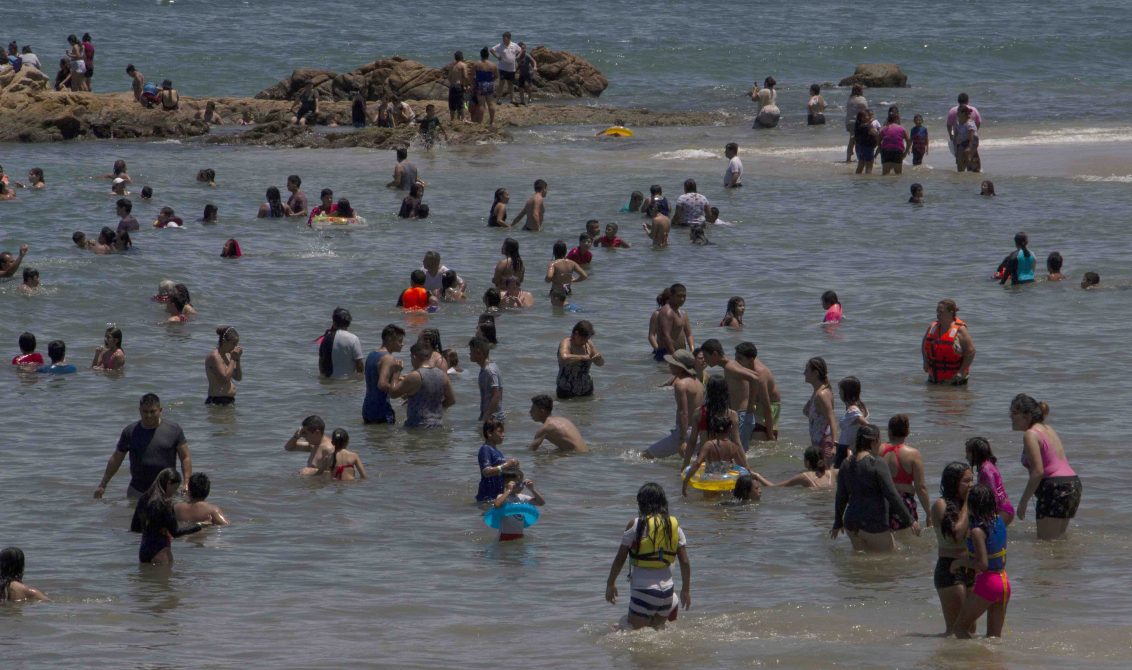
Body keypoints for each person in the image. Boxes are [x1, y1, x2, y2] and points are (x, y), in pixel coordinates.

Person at [605, 483, 691, 630]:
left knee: (627, 633)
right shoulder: (674, 527)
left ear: (642, 503)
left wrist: (610, 584)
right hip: (667, 595)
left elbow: (620, 559)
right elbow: (685, 562)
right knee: (656, 634)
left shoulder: (636, 525)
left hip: (644, 592)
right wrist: (685, 590)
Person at [831, 424, 920, 552]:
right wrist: (910, 520)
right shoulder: (877, 463)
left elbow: (841, 496)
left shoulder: (846, 463)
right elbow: (892, 494)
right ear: (874, 441)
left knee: (861, 563)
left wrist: (837, 522)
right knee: (890, 561)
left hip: (851, 523)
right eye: (879, 440)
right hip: (874, 523)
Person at [94, 394, 191, 499]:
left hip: (167, 491)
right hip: (137, 491)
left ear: (160, 410)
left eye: (152, 412)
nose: (148, 415)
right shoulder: (130, 432)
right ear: (139, 410)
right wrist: (103, 484)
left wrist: (187, 483)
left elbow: (185, 457)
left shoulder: (174, 430)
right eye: (145, 411)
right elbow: (117, 458)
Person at [1012, 395, 1081, 541]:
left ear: (1028, 416)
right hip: (1072, 484)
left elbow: (1038, 471)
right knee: (1058, 541)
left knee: (1045, 544)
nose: (1010, 417)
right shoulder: (1047, 428)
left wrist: (1023, 502)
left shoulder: (1030, 434)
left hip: (1056, 487)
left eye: (1014, 413)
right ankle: (1066, 564)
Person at [949, 485, 1010, 639]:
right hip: (1004, 581)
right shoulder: (1000, 521)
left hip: (989, 583)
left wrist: (960, 562)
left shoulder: (977, 532)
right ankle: (991, 662)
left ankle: (973, 660)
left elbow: (983, 564)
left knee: (960, 629)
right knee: (994, 638)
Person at [930, 462, 975, 635]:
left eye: (972, 480)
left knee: (971, 628)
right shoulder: (940, 505)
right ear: (953, 482)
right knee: (956, 629)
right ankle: (947, 661)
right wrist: (967, 506)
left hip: (971, 566)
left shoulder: (969, 503)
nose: (971, 485)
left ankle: (967, 662)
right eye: (966, 481)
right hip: (949, 569)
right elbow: (956, 534)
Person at [700, 339, 764, 451]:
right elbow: (755, 375)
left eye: (705, 356)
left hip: (742, 415)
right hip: (743, 415)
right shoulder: (731, 363)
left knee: (737, 452)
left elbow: (755, 379)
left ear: (714, 354)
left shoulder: (730, 367)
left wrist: (751, 406)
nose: (704, 359)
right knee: (738, 451)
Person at [133, 469, 204, 564]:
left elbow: (135, 527)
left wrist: (153, 528)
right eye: (175, 488)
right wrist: (198, 526)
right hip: (160, 550)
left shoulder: (143, 499)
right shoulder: (163, 503)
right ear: (169, 483)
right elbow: (176, 532)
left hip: (144, 550)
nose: (174, 493)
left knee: (147, 578)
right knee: (166, 578)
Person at [644, 350, 705, 459]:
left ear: (680, 367)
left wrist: (682, 440)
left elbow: (683, 412)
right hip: (699, 431)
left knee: (645, 456)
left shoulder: (681, 384)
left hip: (686, 432)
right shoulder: (699, 383)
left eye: (672, 363)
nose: (669, 365)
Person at [880, 414, 931, 532]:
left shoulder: (878, 450)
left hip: (881, 500)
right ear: (907, 432)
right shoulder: (913, 454)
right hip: (903, 503)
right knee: (906, 539)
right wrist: (928, 513)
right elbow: (921, 487)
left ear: (889, 432)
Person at [681, 413, 750, 497]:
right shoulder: (733, 446)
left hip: (710, 481)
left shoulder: (709, 445)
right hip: (725, 482)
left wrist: (685, 481)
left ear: (713, 429)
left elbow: (697, 463)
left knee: (709, 506)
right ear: (729, 429)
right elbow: (743, 467)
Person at [389, 341, 455, 428]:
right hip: (437, 425)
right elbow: (451, 400)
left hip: (417, 427)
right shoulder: (442, 375)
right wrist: (434, 410)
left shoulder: (415, 376)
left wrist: (396, 372)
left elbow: (393, 393)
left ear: (414, 356)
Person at [922, 299, 975, 385]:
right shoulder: (933, 327)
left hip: (954, 381)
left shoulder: (960, 330)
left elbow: (971, 352)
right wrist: (925, 361)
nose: (938, 315)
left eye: (941, 312)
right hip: (933, 378)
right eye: (937, 312)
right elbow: (924, 345)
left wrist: (961, 372)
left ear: (951, 312)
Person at [361, 324, 405, 424]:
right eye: (400, 341)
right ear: (389, 339)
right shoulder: (388, 358)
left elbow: (375, 377)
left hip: (367, 408)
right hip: (381, 410)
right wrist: (402, 390)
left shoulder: (372, 354)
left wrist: (401, 379)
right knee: (386, 438)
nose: (402, 344)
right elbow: (382, 384)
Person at [965, 437, 1015, 525]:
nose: (966, 457)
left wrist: (989, 516)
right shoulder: (987, 465)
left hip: (1001, 510)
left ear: (975, 454)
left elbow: (993, 494)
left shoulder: (986, 470)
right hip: (1005, 508)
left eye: (968, 453)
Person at [802, 357, 839, 466]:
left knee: (824, 477)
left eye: (807, 370)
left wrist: (834, 445)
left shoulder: (822, 395)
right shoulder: (817, 392)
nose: (804, 373)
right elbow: (808, 412)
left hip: (825, 443)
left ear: (815, 373)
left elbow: (832, 420)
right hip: (817, 442)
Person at [492, 470, 546, 541]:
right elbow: (497, 505)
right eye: (517, 483)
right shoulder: (502, 497)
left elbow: (541, 503)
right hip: (504, 535)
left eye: (521, 483)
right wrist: (509, 490)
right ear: (506, 484)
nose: (521, 486)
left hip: (519, 535)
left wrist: (532, 489)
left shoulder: (523, 497)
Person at [476, 419, 521, 505]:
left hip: (497, 497)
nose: (503, 435)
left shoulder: (498, 452)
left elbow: (502, 473)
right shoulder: (485, 449)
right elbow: (486, 472)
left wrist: (513, 469)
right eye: (500, 432)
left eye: (503, 432)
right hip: (486, 498)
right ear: (489, 433)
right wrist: (507, 465)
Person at [556, 320, 603, 399]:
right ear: (576, 334)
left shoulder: (588, 343)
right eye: (583, 339)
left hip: (587, 389)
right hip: (566, 390)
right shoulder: (566, 343)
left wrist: (599, 358)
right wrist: (584, 357)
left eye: (587, 339)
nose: (585, 342)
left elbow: (600, 364)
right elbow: (564, 357)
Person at [752, 445, 835, 488]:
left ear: (808, 462)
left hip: (814, 500)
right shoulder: (832, 473)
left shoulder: (804, 477)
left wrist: (757, 476)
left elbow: (774, 487)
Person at [833, 376, 869, 468]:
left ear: (847, 392)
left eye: (840, 391)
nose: (839, 393)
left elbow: (868, 426)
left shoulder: (853, 409)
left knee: (840, 477)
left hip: (845, 449)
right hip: (846, 446)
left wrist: (855, 444)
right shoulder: (860, 406)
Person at [318, 307, 363, 379]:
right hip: (348, 382)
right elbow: (359, 364)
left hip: (329, 382)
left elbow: (321, 361)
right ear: (349, 323)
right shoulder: (353, 339)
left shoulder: (326, 338)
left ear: (334, 323)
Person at [204, 326, 242, 405]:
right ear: (225, 342)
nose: (235, 347)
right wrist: (233, 359)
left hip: (228, 401)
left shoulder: (228, 356)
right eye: (234, 343)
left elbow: (238, 377)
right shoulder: (215, 356)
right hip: (217, 401)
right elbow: (224, 379)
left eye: (237, 344)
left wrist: (237, 359)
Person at [655, 283, 694, 359]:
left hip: (681, 352)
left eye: (684, 296)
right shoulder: (667, 312)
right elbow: (665, 336)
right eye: (679, 296)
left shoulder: (683, 314)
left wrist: (692, 351)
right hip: (667, 353)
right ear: (671, 296)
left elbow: (689, 334)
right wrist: (674, 356)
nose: (682, 299)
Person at [470, 336, 504, 423]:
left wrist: (486, 416)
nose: (469, 354)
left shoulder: (489, 371)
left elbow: (496, 396)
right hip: (490, 416)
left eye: (471, 351)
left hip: (493, 418)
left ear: (478, 352)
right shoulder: (486, 368)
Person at [546, 240, 588, 307]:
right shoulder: (572, 263)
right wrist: (574, 280)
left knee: (556, 311)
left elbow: (548, 277)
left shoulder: (553, 264)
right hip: (567, 291)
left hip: (556, 292)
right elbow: (584, 276)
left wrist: (548, 279)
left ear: (554, 252)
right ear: (565, 251)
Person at [490, 32, 522, 104]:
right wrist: (497, 56)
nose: (503, 40)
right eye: (503, 38)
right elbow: (491, 50)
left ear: (509, 38)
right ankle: (498, 99)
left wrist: (518, 57)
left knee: (511, 84)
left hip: (511, 69)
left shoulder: (514, 45)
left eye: (505, 38)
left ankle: (512, 99)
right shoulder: (500, 45)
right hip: (502, 68)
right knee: (501, 84)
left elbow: (520, 50)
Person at [879, 107, 911, 175]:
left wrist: (880, 149)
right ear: (898, 117)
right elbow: (909, 140)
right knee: (898, 174)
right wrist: (906, 152)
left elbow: (878, 140)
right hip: (897, 151)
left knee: (885, 174)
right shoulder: (902, 129)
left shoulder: (884, 128)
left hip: (886, 151)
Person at [950, 105, 979, 172]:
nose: (957, 113)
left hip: (972, 142)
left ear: (963, 113)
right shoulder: (959, 122)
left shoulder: (969, 123)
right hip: (963, 142)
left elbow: (971, 137)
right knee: (959, 159)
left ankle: (971, 171)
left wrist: (969, 147)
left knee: (968, 159)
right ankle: (960, 173)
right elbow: (957, 134)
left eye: (958, 112)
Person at [474, 47, 498, 125]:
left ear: (481, 55)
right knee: (490, 103)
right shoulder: (493, 65)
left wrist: (473, 84)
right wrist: (491, 81)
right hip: (489, 83)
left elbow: (472, 76)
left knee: (481, 104)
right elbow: (496, 76)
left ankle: (480, 122)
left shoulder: (477, 64)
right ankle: (492, 121)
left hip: (480, 84)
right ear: (488, 56)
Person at [844, 84, 869, 162]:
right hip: (856, 123)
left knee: (852, 138)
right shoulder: (862, 99)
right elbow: (866, 111)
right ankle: (852, 157)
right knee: (855, 139)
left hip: (848, 122)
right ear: (860, 91)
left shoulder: (850, 98)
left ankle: (850, 155)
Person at [446, 51, 470, 122]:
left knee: (452, 103)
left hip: (452, 86)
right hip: (459, 86)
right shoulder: (463, 65)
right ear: (462, 57)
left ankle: (452, 119)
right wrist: (467, 85)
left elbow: (449, 77)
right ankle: (463, 118)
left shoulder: (451, 65)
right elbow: (465, 76)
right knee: (461, 102)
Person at [854, 109, 880, 174]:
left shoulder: (857, 125)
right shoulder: (868, 127)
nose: (869, 117)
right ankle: (867, 180)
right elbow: (876, 134)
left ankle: (858, 179)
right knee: (869, 166)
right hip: (867, 148)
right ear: (862, 118)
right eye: (867, 116)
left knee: (861, 164)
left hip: (859, 147)